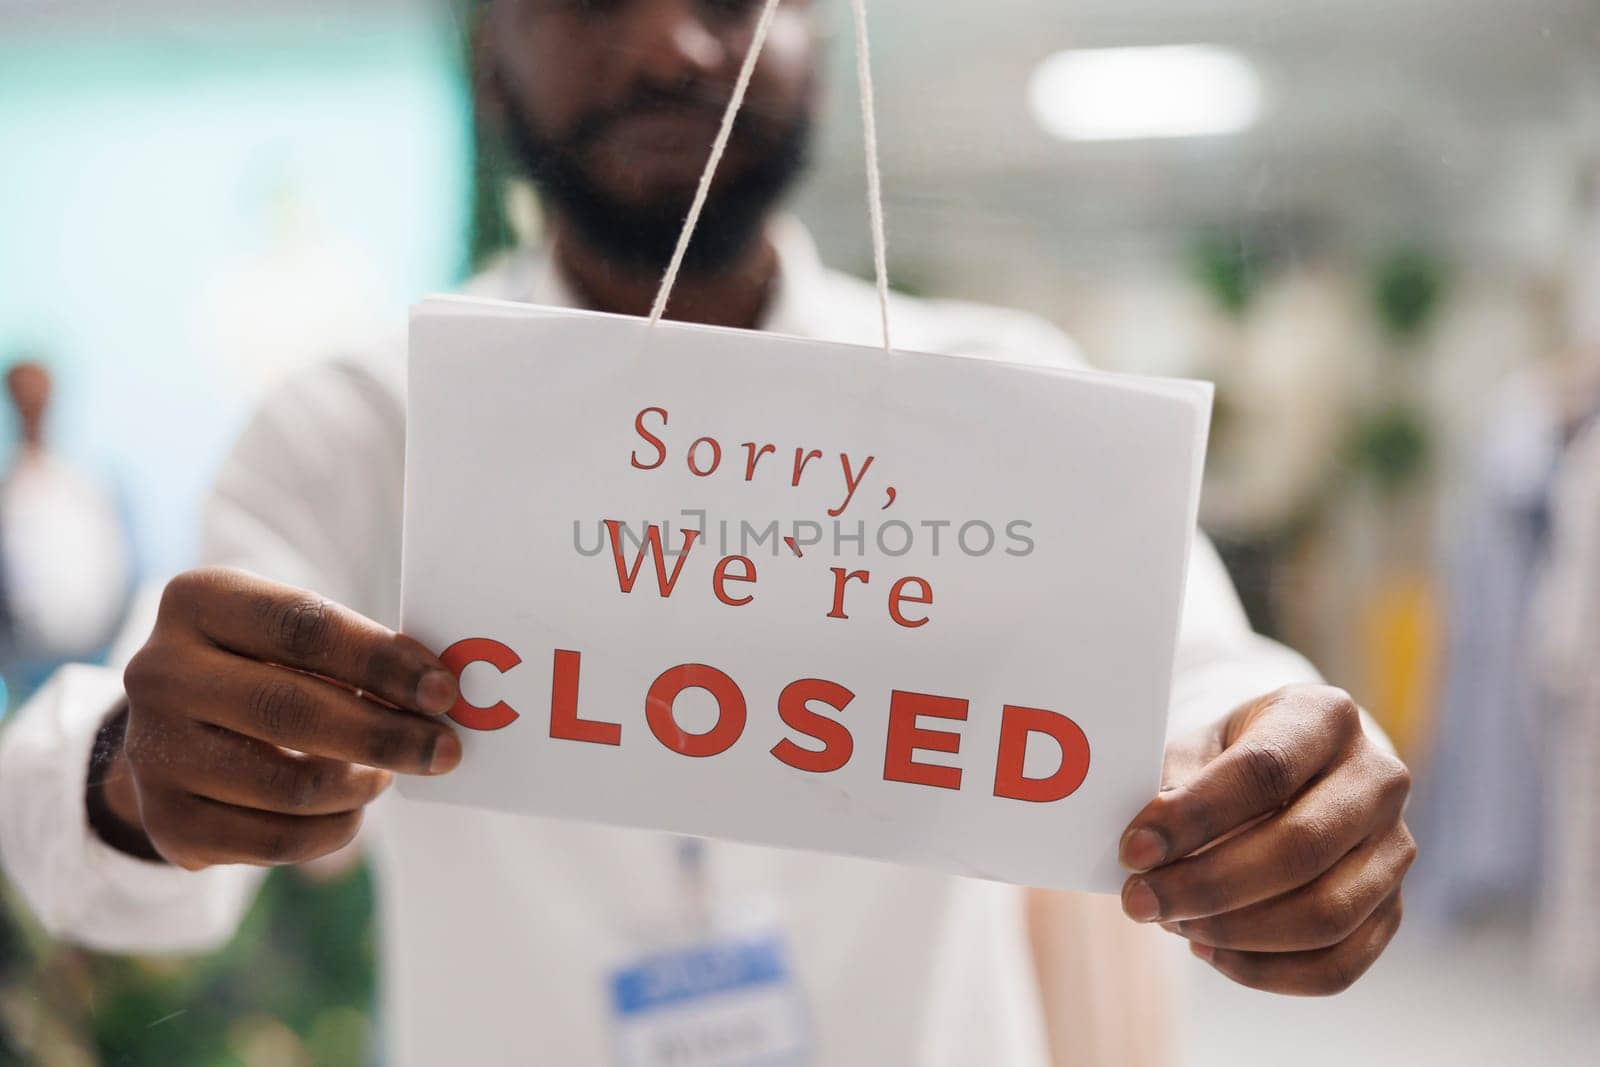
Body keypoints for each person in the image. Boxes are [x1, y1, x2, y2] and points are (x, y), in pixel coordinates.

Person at [0, 2, 1415, 1064]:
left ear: (824, 29)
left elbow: (1203, 683)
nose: (674, 45)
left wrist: (1288, 791)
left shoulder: (1011, 393)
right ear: (491, 48)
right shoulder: (361, 424)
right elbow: (91, 838)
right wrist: (141, 774)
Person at [0, 360, 130, 698]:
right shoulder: (9, 491)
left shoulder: (87, 486)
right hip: (24, 672)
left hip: (98, 658)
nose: (32, 404)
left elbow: (116, 568)